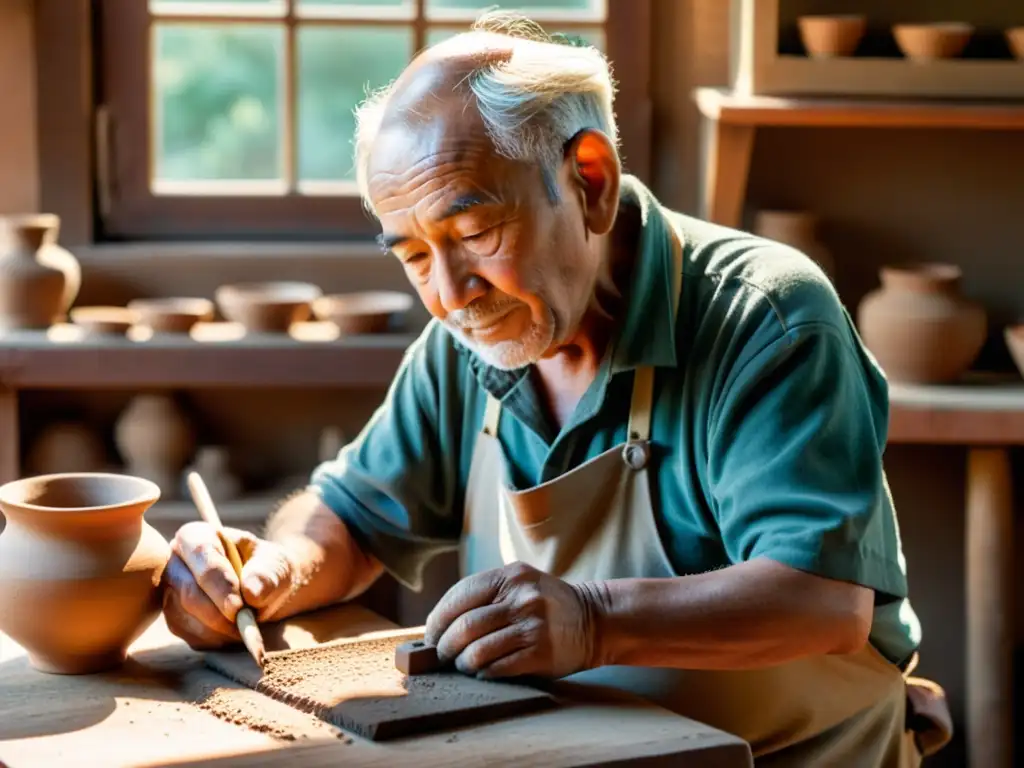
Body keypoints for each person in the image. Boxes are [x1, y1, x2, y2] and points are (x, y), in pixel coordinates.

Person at [162, 11, 951, 766]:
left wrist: (593, 620)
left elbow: (823, 600)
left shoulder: (766, 318)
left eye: (475, 235)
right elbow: (353, 515)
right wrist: (276, 569)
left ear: (592, 181)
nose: (450, 293)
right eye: (412, 256)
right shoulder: (464, 341)